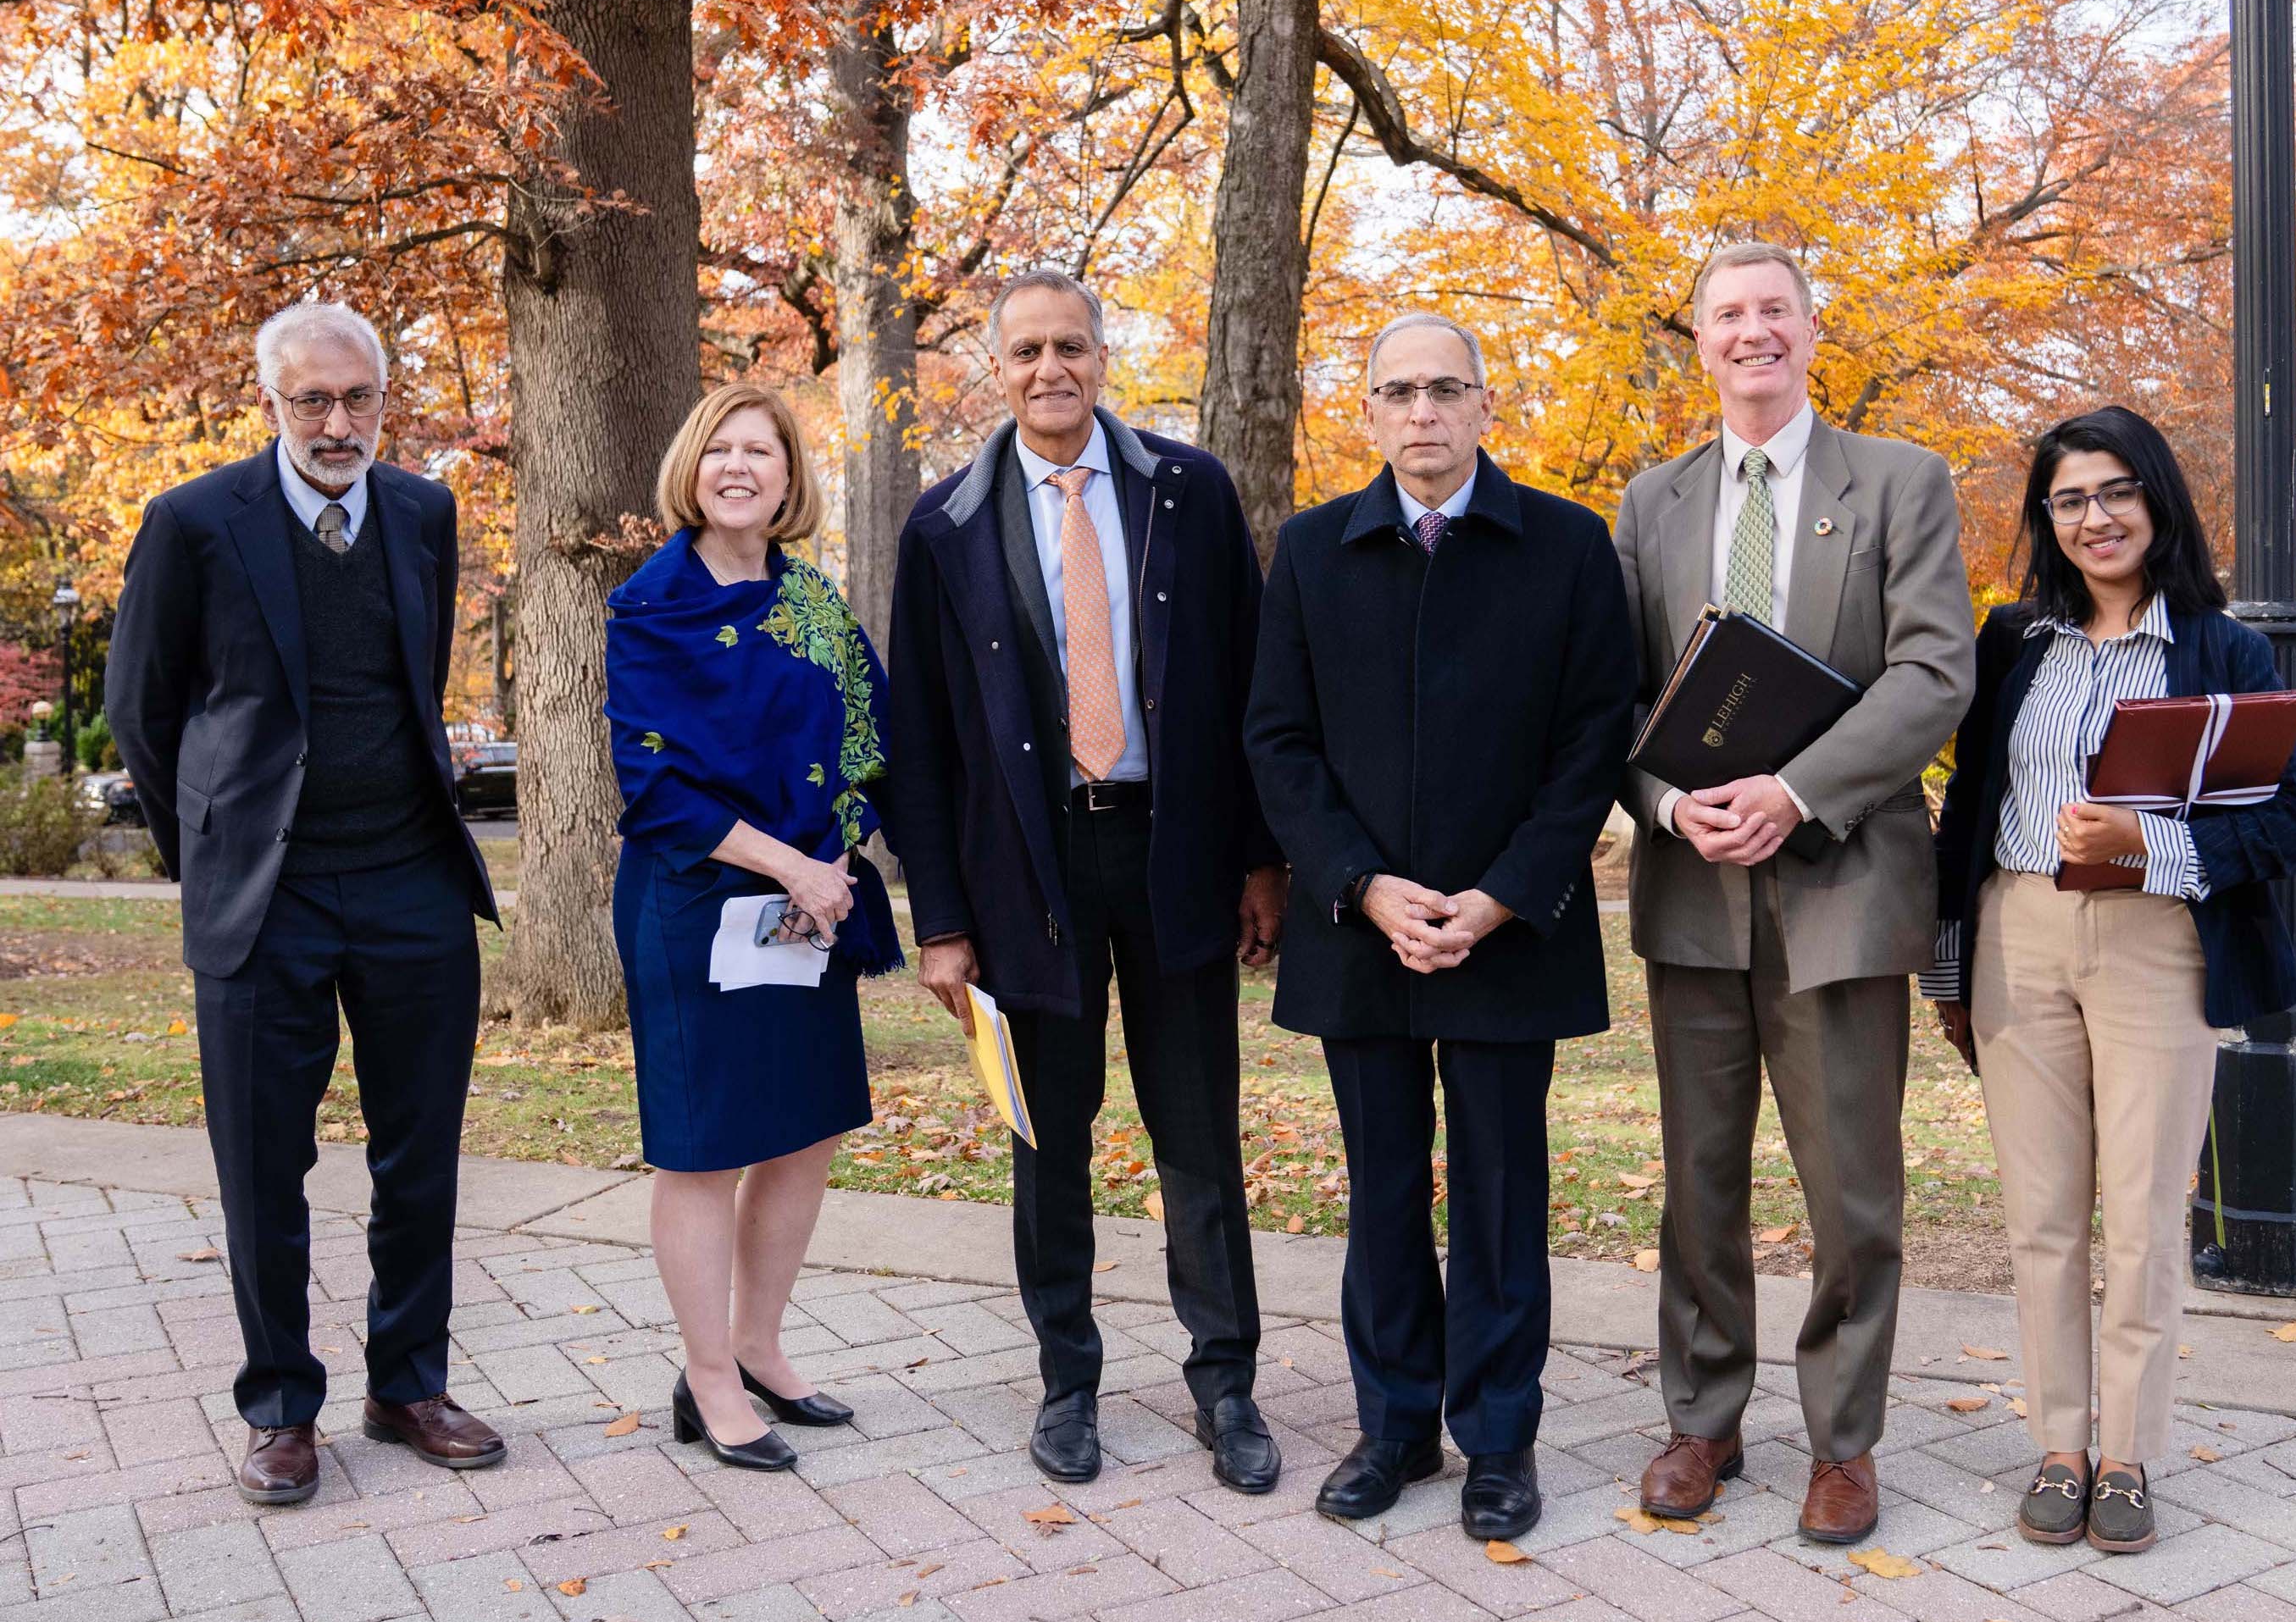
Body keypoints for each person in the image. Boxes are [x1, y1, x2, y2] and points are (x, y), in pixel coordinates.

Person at [886, 269, 1288, 1492]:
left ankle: (1226, 1381)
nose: (1049, 369)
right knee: (1048, 1141)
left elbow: (1250, 683)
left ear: (1103, 355)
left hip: (1175, 852)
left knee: (1197, 1134)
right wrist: (943, 921)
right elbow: (924, 734)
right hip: (1029, 867)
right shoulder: (945, 523)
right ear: (994, 369)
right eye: (1025, 351)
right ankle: (1069, 1381)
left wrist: (1261, 857)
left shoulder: (1191, 490)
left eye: (1070, 345)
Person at [105, 300, 503, 1505]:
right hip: (264, 901)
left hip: (410, 884)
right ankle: (282, 1404)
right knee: (262, 1167)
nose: (339, 423)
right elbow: (142, 705)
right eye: (312, 400)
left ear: (387, 396)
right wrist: (215, 852)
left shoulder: (426, 512)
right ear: (269, 402)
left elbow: (412, 681)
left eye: (359, 397)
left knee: (420, 1154)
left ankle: (408, 1381)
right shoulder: (192, 523)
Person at [1245, 313, 1634, 1542]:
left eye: (1444, 389)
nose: (1422, 411)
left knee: (1503, 1194)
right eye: (1396, 390)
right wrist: (1361, 884)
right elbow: (1278, 741)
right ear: (1365, 411)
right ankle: (1396, 1422)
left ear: (1484, 404)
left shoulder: (1569, 546)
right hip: (1362, 928)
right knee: (1383, 1189)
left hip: (1507, 929)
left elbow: (1594, 739)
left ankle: (1500, 1439)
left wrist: (1505, 892)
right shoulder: (1311, 551)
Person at [1613, 243, 1974, 1546]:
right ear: (1699, 342)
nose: (1752, 331)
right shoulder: (1649, 503)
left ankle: (1844, 1442)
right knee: (1698, 1180)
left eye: (1775, 310)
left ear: (1812, 331)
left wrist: (1797, 790)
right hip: (1692, 886)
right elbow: (1615, 698)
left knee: (1852, 1190)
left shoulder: (1901, 482)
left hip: (1843, 881)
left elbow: (1933, 674)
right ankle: (1703, 1419)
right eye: (1728, 314)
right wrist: (1666, 802)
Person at [1927, 407, 2296, 1553]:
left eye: (2115, 492)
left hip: (2159, 940)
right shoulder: (2014, 642)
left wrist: (2148, 846)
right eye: (2068, 499)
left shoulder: (2222, 647)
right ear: (2047, 520)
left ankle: (2131, 1457)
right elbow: (1967, 811)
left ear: (2157, 501)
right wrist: (1951, 974)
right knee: (2043, 1216)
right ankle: (2058, 1444)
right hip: (2017, 935)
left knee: (2144, 1216)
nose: (2094, 517)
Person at [606, 381, 901, 1471]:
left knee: (803, 1129)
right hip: (696, 904)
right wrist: (794, 867)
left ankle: (761, 1344)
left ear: (789, 478)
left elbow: (873, 743)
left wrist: (836, 855)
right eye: (721, 449)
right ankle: (709, 1378)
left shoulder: (816, 603)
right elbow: (654, 789)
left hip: (806, 904)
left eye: (762, 453)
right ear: (692, 466)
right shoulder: (648, 605)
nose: (740, 467)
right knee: (703, 1151)